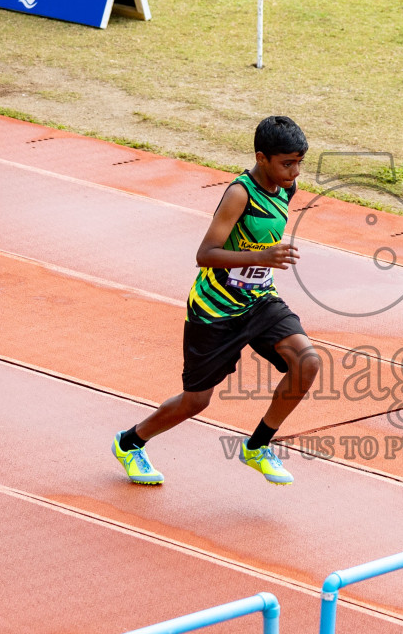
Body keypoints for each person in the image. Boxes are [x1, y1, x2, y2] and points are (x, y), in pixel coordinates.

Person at [112, 116, 322, 487]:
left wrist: (263, 261)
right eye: (287, 163)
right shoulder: (240, 193)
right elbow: (205, 253)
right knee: (196, 402)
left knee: (307, 362)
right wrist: (261, 257)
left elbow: (262, 243)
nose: (295, 171)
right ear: (261, 157)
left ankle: (257, 447)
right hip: (214, 309)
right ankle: (130, 444)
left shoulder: (286, 188)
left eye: (299, 162)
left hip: (258, 300)